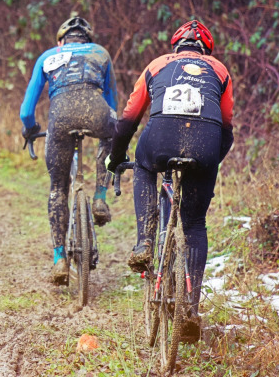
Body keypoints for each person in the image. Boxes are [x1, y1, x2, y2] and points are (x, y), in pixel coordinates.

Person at [105, 19, 234, 341]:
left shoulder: (157, 64)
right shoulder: (219, 70)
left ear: (176, 45)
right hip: (205, 145)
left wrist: (116, 157)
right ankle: (190, 309)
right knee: (194, 224)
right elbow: (228, 129)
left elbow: (128, 120)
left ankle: (144, 242)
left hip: (159, 139)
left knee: (145, 167)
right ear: (206, 48)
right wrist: (209, 166)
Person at [20, 16, 118, 284]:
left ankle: (59, 258)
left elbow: (27, 111)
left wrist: (30, 128)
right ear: (87, 39)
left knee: (57, 188)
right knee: (111, 132)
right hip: (96, 111)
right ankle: (99, 196)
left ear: (61, 41)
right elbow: (112, 101)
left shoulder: (48, 56)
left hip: (60, 118)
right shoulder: (101, 53)